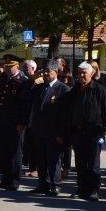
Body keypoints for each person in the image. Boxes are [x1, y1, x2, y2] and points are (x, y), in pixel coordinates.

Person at [62, 62, 106, 201]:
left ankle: (94, 190)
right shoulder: (75, 90)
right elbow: (68, 110)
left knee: (93, 164)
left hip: (94, 132)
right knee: (80, 163)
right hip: (78, 132)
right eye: (79, 73)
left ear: (91, 73)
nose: (81, 75)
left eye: (84, 72)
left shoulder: (99, 89)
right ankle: (82, 190)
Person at [28, 61, 69, 196]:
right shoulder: (39, 87)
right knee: (41, 159)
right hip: (40, 130)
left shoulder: (63, 89)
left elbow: (65, 114)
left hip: (54, 131)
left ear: (56, 72)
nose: (45, 74)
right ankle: (43, 184)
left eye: (48, 71)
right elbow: (29, 101)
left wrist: (61, 132)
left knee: (54, 160)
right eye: (44, 71)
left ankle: (55, 185)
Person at [0, 60, 28, 191]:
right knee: (4, 151)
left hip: (15, 122)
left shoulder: (22, 81)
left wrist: (22, 122)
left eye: (9, 67)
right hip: (2, 121)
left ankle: (14, 180)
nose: (6, 69)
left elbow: (24, 105)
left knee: (15, 152)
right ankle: (5, 178)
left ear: (17, 67)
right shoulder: (3, 79)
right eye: (5, 66)